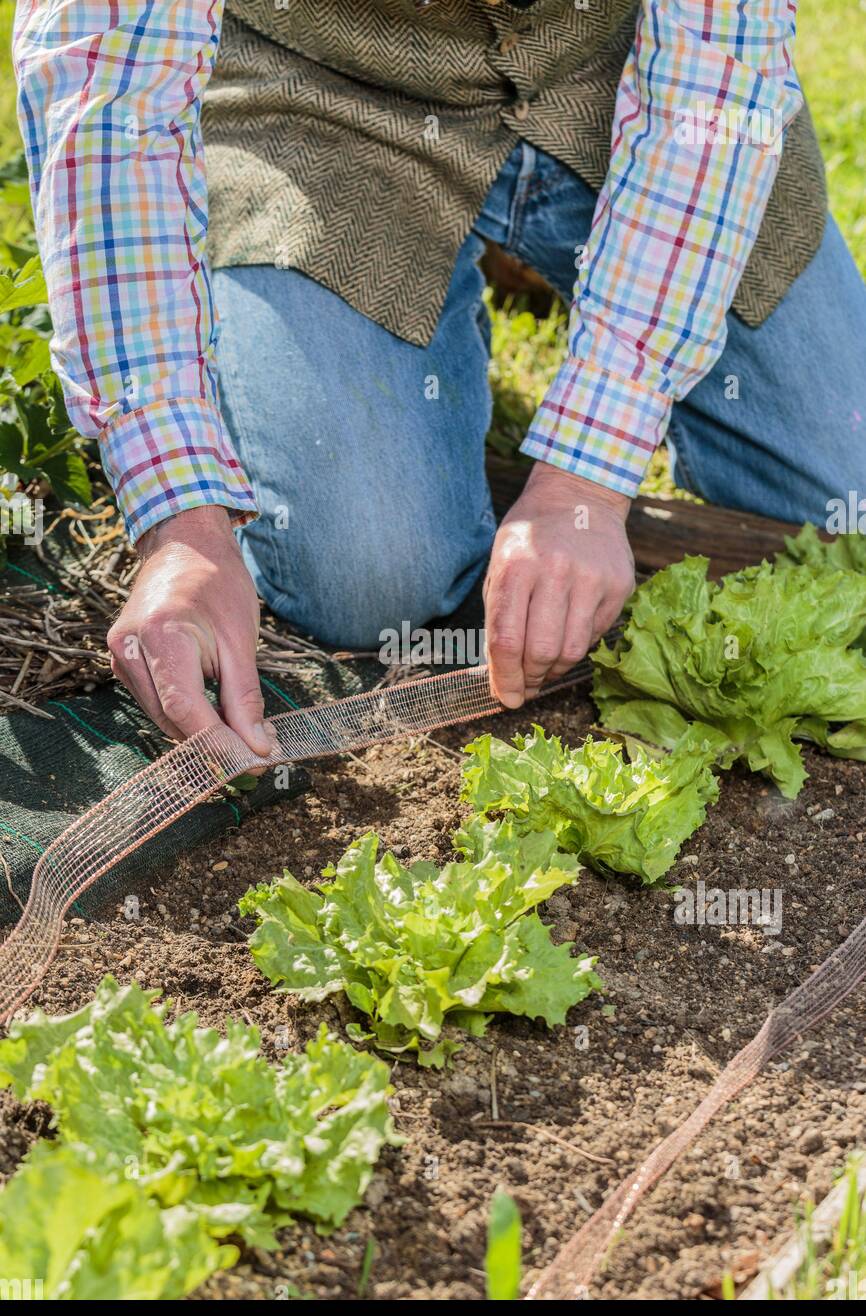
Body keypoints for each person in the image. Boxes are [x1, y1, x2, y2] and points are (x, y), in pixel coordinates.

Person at [13, 1, 866, 756]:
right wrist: (183, 524)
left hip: (631, 68)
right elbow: (110, 96)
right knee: (372, 577)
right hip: (323, 89)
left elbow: (718, 68)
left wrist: (586, 481)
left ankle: (508, 277)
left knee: (847, 501)